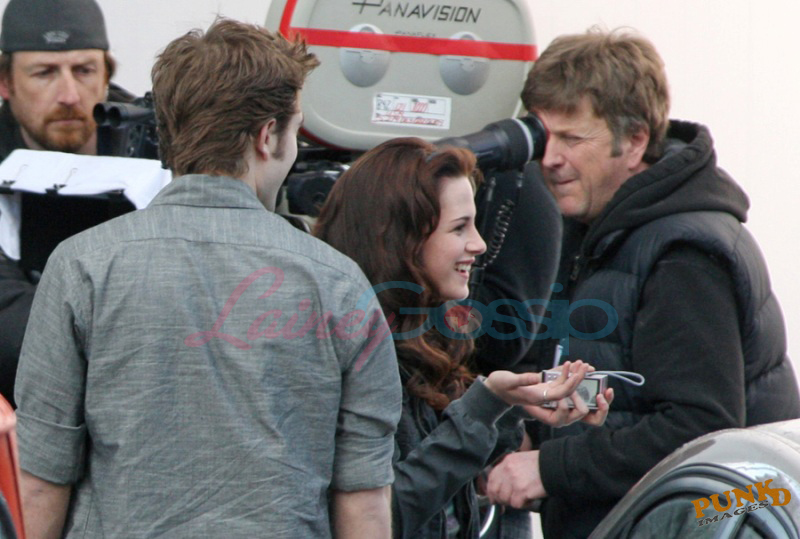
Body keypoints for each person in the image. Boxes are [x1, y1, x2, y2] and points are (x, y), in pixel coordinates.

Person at [14, 18, 403, 538]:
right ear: (267, 136)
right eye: (294, 130)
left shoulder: (81, 267)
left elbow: (41, 480)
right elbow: (363, 498)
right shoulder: (339, 283)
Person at [485, 28, 800, 538]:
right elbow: (623, 399)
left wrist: (550, 467)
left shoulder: (683, 256)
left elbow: (700, 430)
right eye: (544, 137)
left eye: (572, 138)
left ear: (634, 141)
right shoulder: (602, 235)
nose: (550, 158)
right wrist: (533, 435)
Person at [313, 136, 612, 539]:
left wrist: (512, 407)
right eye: (459, 227)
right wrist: (483, 407)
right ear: (402, 238)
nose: (479, 244)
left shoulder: (421, 339)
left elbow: (437, 470)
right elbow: (377, 518)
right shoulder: (350, 355)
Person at [0, 0, 137, 406]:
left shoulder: (163, 146)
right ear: (5, 82)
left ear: (107, 74)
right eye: (44, 73)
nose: (69, 95)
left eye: (84, 71)